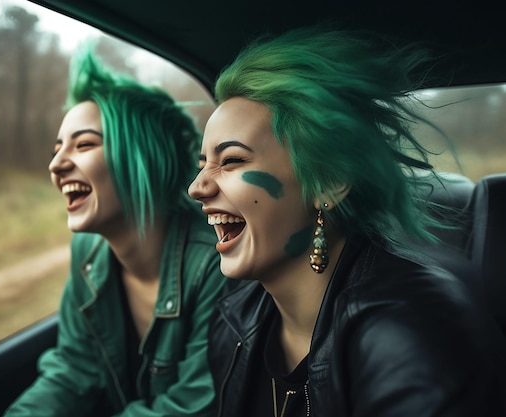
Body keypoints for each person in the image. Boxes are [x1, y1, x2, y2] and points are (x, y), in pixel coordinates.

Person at [188, 27, 506, 416]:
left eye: (232, 160)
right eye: (202, 163)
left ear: (329, 182)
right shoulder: (234, 319)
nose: (197, 187)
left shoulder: (409, 335)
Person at [4, 44, 224, 417]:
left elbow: (194, 406)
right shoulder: (86, 251)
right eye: (58, 148)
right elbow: (74, 369)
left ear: (143, 158)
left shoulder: (214, 263)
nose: (56, 164)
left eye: (84, 144)